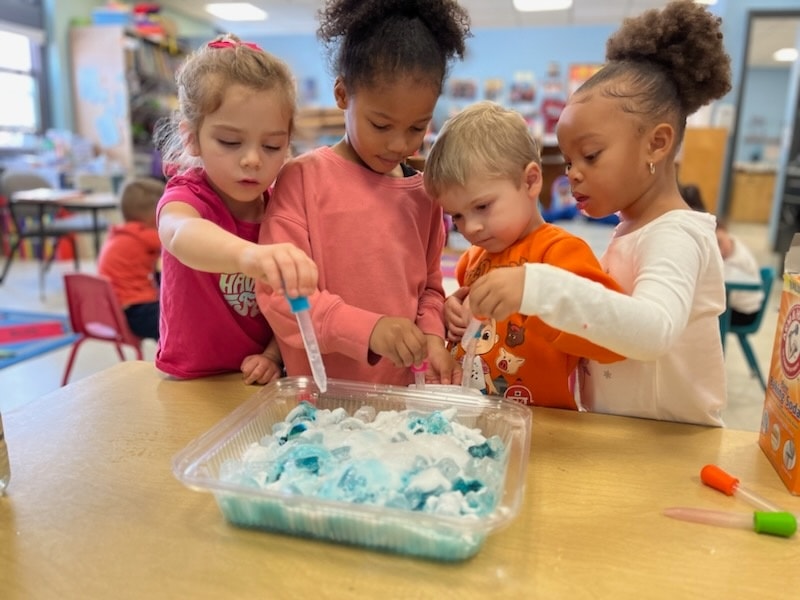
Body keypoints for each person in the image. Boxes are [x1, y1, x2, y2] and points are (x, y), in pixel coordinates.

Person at [466, 0, 733, 426]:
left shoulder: (676, 234)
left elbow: (653, 331)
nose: (573, 175)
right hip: (627, 436)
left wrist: (540, 287)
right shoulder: (632, 229)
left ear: (657, 144)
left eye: (590, 156)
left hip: (670, 446)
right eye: (570, 162)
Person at [257, 0, 471, 387]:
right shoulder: (302, 179)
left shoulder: (423, 195)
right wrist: (368, 330)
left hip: (400, 404)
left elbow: (430, 291)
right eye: (381, 124)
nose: (398, 144)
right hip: (320, 404)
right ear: (342, 94)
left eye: (416, 128)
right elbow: (278, 294)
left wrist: (433, 337)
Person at [423, 101, 624, 408]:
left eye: (482, 207)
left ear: (530, 181)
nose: (471, 228)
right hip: (475, 424)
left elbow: (612, 340)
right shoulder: (473, 259)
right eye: (457, 216)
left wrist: (534, 298)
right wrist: (451, 311)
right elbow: (473, 326)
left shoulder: (561, 252)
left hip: (545, 428)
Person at [153, 34, 318, 384]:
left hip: (260, 380)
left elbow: (294, 304)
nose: (252, 160)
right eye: (230, 142)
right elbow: (181, 234)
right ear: (191, 138)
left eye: (273, 146)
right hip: (194, 382)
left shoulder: (281, 207)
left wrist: (273, 355)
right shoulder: (188, 197)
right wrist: (248, 256)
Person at [97, 177, 164, 340]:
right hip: (135, 311)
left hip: (118, 310)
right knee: (181, 317)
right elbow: (177, 241)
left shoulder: (123, 233)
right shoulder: (146, 236)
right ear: (153, 215)